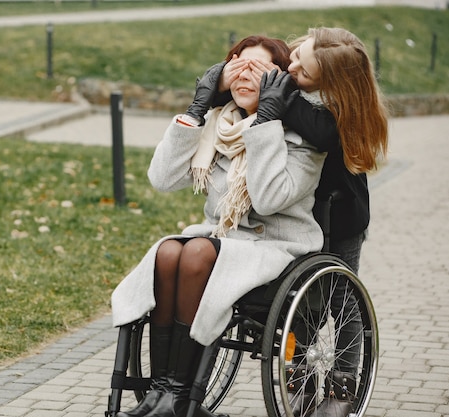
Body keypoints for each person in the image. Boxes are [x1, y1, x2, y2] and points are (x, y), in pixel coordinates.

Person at [111, 35, 327, 417]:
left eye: (258, 70)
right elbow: (162, 179)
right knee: (167, 251)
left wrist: (266, 123)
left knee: (194, 250)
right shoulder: (218, 126)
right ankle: (162, 392)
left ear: (279, 81)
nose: (244, 75)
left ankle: (180, 396)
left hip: (277, 247)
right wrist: (197, 109)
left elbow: (268, 200)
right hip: (224, 241)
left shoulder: (302, 139)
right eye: (236, 66)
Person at [218, 27, 389, 417]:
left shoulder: (337, 114)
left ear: (330, 81)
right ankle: (298, 372)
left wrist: (279, 98)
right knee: (301, 304)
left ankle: (344, 379)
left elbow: (319, 132)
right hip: (297, 213)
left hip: (341, 218)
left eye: (303, 69)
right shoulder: (294, 84)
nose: (291, 67)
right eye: (295, 55)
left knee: (341, 302)